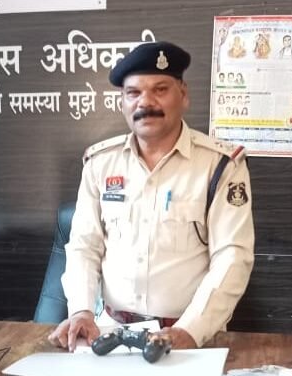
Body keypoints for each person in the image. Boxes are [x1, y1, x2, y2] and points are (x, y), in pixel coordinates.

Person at [47, 41, 255, 352]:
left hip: (189, 337)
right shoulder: (100, 163)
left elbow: (232, 256)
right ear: (122, 102)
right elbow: (84, 246)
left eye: (160, 90)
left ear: (183, 94)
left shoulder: (220, 165)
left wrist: (190, 330)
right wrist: (81, 310)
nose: (146, 102)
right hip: (110, 333)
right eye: (133, 93)